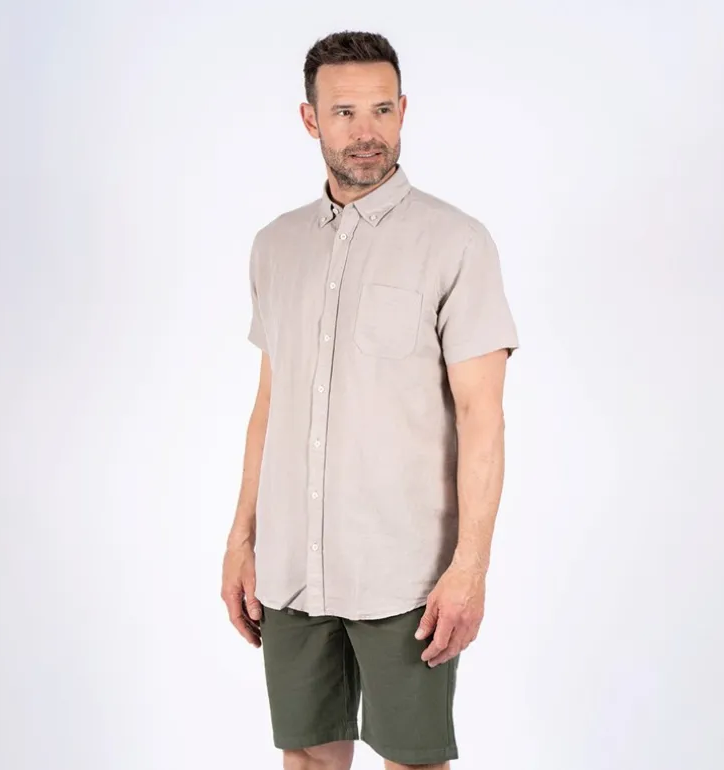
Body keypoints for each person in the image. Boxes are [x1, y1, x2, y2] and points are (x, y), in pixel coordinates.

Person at [221, 30, 519, 770]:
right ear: (310, 119)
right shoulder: (275, 246)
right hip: (292, 568)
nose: (366, 131)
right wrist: (242, 540)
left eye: (382, 110)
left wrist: (470, 568)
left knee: (413, 761)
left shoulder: (456, 242)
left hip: (405, 573)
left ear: (403, 111)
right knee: (308, 758)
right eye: (345, 112)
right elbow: (268, 405)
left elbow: (483, 418)